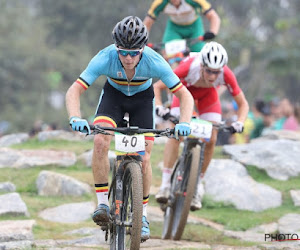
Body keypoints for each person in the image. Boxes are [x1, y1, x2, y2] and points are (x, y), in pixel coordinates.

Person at [65, 16, 194, 241]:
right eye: (123, 52)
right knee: (100, 140)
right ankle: (103, 204)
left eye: (134, 53)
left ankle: (142, 216)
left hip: (142, 101)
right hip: (113, 98)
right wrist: (75, 117)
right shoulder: (105, 57)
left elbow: (184, 95)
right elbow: (74, 90)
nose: (127, 58)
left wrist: (184, 122)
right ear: (116, 48)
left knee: (143, 158)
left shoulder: (155, 61)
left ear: (143, 49)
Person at [154, 42, 249, 210]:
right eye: (209, 71)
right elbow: (158, 86)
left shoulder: (226, 74)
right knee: (176, 133)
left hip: (208, 96)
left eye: (216, 72)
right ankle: (165, 184)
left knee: (212, 138)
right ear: (202, 65)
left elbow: (243, 104)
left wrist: (239, 122)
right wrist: (160, 106)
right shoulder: (188, 66)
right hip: (183, 92)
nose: (212, 76)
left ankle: (197, 185)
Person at [143, 0, 220, 52]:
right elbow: (148, 22)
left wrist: (213, 32)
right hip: (175, 28)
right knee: (167, 53)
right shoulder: (160, 2)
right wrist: (142, 40)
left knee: (199, 52)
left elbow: (213, 16)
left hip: (194, 27)